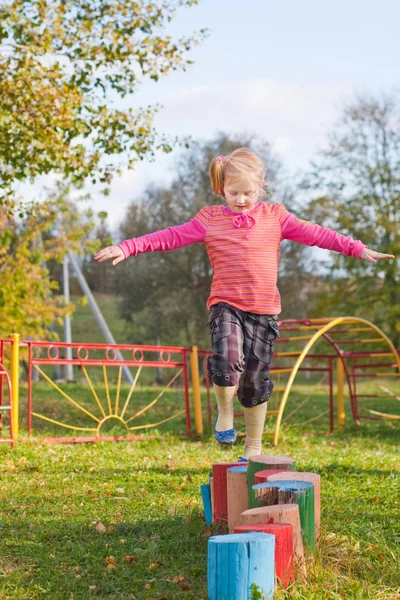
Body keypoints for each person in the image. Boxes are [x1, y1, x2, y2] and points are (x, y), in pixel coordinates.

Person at [94, 148, 394, 461]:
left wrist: (356, 249)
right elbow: (170, 236)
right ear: (220, 189)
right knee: (226, 360)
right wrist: (128, 247)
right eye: (233, 193)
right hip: (227, 305)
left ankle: (253, 446)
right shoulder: (209, 219)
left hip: (264, 311)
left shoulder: (275, 217)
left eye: (248, 193)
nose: (241, 200)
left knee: (254, 380)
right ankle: (225, 412)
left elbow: (315, 234)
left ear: (260, 187)